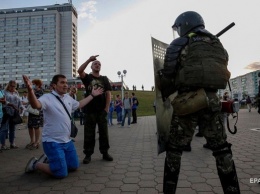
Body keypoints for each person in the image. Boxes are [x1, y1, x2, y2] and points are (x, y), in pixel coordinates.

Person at [159, 11, 240, 193]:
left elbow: (168, 75)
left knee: (174, 149)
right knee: (221, 149)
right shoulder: (217, 44)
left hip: (188, 102)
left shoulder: (180, 43)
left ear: (185, 24)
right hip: (212, 101)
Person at [23, 74, 103, 178]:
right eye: (62, 82)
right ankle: (35, 164)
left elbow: (79, 104)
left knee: (74, 166)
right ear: (54, 85)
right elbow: (35, 105)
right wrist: (30, 90)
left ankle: (50, 159)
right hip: (52, 142)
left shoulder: (67, 98)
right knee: (61, 173)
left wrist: (92, 95)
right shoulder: (47, 97)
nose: (66, 85)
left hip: (67, 141)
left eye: (66, 83)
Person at [78, 55, 113, 164]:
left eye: (99, 64)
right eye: (95, 64)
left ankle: (105, 152)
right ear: (91, 67)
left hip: (102, 110)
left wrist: (107, 108)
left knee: (103, 133)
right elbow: (79, 70)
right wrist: (89, 60)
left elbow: (108, 94)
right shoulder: (88, 78)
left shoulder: (104, 79)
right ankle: (88, 154)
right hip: (90, 110)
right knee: (89, 133)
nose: (97, 65)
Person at [3, 80, 23, 149]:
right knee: (5, 128)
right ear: (8, 85)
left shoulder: (16, 92)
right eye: (11, 86)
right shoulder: (5, 92)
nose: (12, 87)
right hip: (7, 112)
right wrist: (11, 105)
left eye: (14, 86)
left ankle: (12, 143)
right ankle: (3, 144)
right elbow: (4, 101)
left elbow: (19, 101)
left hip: (14, 112)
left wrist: (21, 107)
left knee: (13, 128)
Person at [25, 79, 44, 150]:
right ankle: (32, 141)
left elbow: (37, 100)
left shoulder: (40, 91)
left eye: (34, 84)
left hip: (37, 112)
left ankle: (37, 141)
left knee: (36, 126)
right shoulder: (33, 91)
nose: (33, 85)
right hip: (31, 111)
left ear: (38, 84)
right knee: (30, 126)